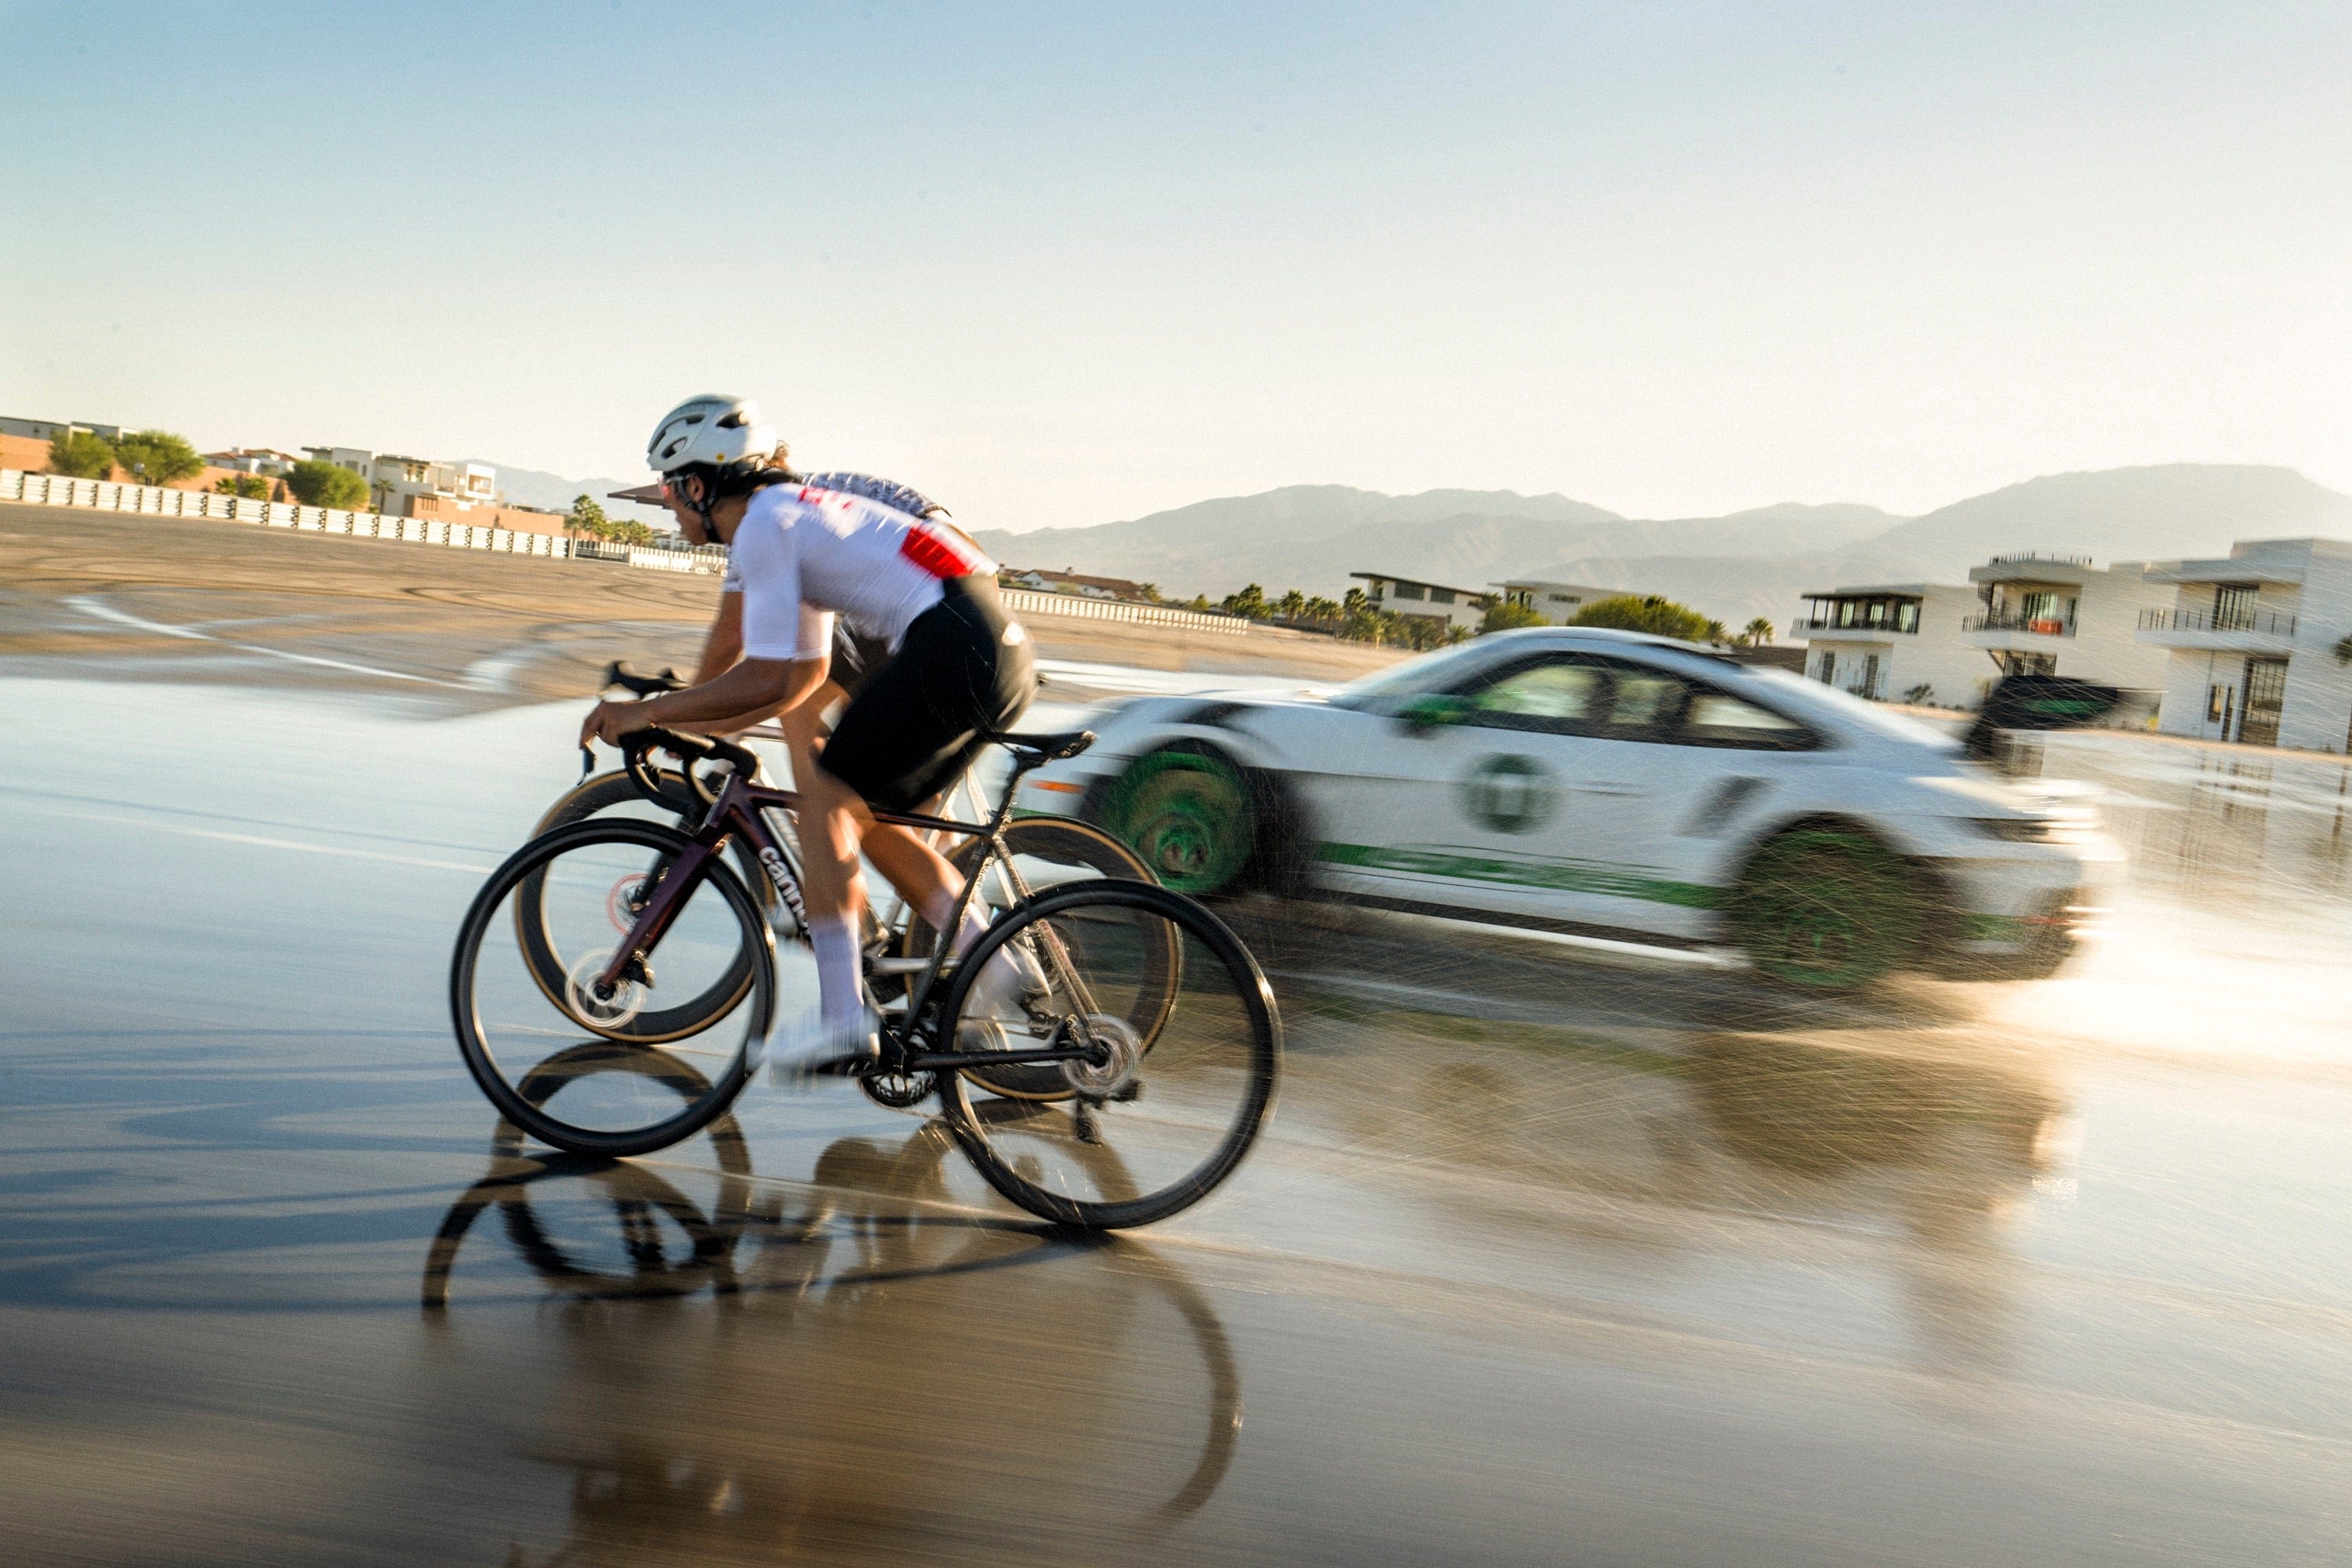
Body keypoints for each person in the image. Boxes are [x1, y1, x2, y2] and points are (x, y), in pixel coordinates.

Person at [582, 395, 1037, 1079]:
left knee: (824, 797)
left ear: (700, 486)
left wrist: (650, 714)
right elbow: (802, 676)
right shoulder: (790, 513)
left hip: (950, 643)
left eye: (672, 492)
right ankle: (994, 960)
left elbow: (764, 675)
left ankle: (843, 1019)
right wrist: (695, 723)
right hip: (994, 648)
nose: (670, 508)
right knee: (868, 821)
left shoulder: (765, 524)